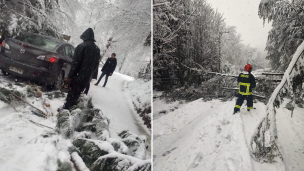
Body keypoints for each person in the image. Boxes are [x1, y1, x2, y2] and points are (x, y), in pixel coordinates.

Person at [63, 28, 100, 109]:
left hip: (77, 76)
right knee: (77, 94)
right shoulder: (97, 49)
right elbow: (96, 65)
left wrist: (70, 76)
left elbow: (75, 63)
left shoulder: (81, 46)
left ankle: (66, 110)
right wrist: (89, 74)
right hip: (86, 78)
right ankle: (71, 110)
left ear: (85, 37)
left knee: (72, 94)